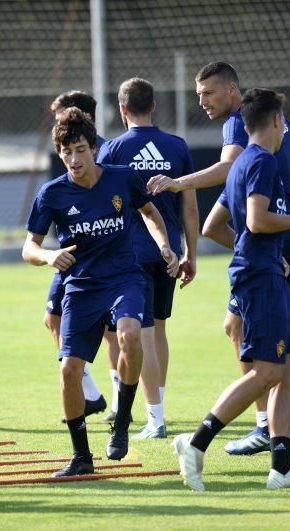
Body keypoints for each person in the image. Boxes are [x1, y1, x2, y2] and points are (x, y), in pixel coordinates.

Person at [149, 62, 290, 455]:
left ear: (232, 91)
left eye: (208, 93)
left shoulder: (240, 126)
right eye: (198, 95)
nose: (202, 101)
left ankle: (260, 428)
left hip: (282, 236)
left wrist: (179, 182)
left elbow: (230, 167)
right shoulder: (274, 126)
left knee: (267, 339)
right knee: (262, 327)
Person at [22, 108, 178, 477]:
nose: (73, 159)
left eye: (79, 149)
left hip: (125, 277)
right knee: (70, 370)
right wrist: (48, 255)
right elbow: (29, 247)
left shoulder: (122, 179)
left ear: (93, 148)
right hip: (81, 288)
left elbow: (152, 214)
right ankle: (81, 459)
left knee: (129, 335)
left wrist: (164, 245)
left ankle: (122, 421)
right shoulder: (51, 194)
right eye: (66, 152)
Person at [96, 77, 198, 439]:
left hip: (132, 256)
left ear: (122, 109)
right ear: (153, 106)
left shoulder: (112, 151)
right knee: (159, 330)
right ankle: (158, 409)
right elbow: (189, 203)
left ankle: (155, 419)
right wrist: (190, 253)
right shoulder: (177, 146)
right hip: (168, 251)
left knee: (147, 334)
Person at [48, 91, 109, 422]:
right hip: (70, 264)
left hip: (104, 267)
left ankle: (112, 399)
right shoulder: (58, 182)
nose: (60, 129)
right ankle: (92, 394)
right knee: (51, 319)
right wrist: (47, 255)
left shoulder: (104, 160)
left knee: (118, 333)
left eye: (63, 120)